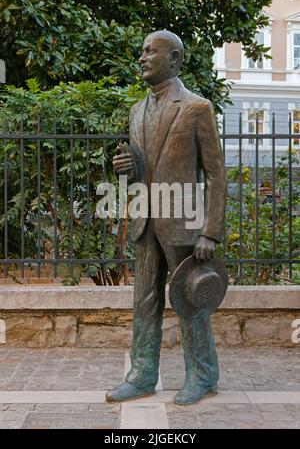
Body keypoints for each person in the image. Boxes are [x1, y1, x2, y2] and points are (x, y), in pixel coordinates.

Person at [106, 30, 226, 405]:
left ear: (174, 59)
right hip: (146, 221)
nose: (141, 58)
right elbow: (142, 172)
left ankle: (202, 375)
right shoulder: (136, 110)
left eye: (149, 52)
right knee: (144, 300)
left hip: (183, 224)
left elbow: (216, 174)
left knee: (190, 301)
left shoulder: (196, 107)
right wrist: (125, 169)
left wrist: (210, 231)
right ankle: (142, 375)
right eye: (141, 51)